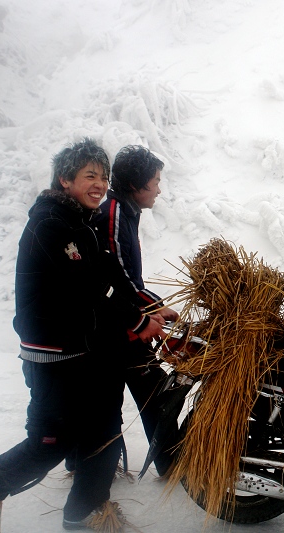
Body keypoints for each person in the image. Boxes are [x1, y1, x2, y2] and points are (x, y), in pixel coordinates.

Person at [0, 138, 165, 531]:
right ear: (65, 179)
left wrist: (146, 309)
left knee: (103, 429)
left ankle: (86, 508)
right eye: (90, 175)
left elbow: (108, 277)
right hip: (54, 356)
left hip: (84, 350)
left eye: (104, 177)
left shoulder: (80, 224)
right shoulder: (51, 224)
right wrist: (139, 321)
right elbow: (90, 285)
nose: (100, 184)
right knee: (50, 443)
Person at [94, 145, 182, 476]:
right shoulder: (114, 215)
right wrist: (150, 313)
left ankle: (170, 464)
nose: (159, 188)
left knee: (137, 397)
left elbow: (131, 281)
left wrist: (157, 307)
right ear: (136, 184)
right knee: (150, 396)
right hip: (118, 329)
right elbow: (120, 281)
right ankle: (172, 466)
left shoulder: (126, 212)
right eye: (156, 181)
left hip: (127, 324)